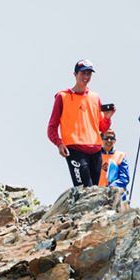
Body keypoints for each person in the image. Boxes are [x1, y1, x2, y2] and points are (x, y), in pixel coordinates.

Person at [47, 59, 115, 187]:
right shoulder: (62, 96)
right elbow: (51, 127)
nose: (86, 77)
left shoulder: (95, 97)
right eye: (83, 73)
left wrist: (107, 117)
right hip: (75, 149)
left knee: (94, 190)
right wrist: (59, 143)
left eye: (89, 74)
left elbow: (102, 127)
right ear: (75, 74)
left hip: (95, 150)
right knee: (84, 190)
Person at [98, 129, 130, 198]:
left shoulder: (121, 155)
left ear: (115, 140)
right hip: (98, 195)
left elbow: (124, 178)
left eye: (111, 138)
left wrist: (111, 188)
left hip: (116, 196)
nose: (109, 141)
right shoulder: (95, 155)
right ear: (101, 139)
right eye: (106, 138)